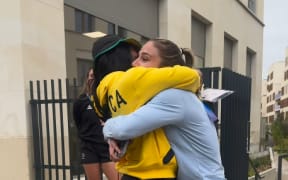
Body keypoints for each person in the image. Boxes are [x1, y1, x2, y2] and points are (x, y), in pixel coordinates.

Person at [102, 39, 226, 179]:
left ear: (167, 68)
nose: (134, 64)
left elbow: (123, 129)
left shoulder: (174, 96)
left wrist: (107, 127)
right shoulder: (182, 94)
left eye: (144, 58)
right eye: (137, 57)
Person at [73, 68, 119, 180]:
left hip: (106, 146)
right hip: (89, 148)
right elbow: (78, 123)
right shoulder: (80, 102)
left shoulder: (108, 98)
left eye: (96, 76)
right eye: (91, 75)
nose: (93, 78)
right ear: (87, 78)